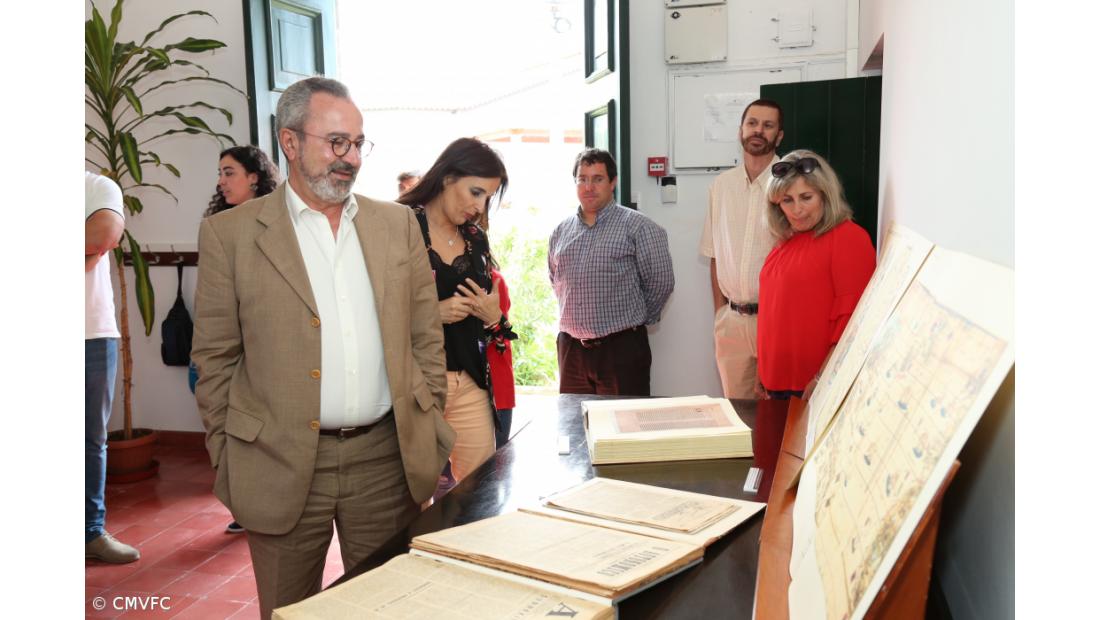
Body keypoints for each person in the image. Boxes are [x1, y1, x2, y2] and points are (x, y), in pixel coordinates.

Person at [192, 77, 454, 619]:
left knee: (391, 609)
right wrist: (227, 455)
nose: (351, 158)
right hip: (277, 461)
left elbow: (424, 334)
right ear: (290, 142)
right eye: (336, 142)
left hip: (385, 460)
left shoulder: (397, 224)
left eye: (358, 143)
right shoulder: (231, 235)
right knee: (288, 610)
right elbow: (215, 357)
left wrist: (427, 415)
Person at [397, 137, 515, 483]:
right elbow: (373, 310)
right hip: (416, 384)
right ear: (448, 177)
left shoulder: (475, 238)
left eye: (487, 198)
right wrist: (434, 313)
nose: (479, 206)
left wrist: (493, 316)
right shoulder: (400, 226)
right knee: (414, 492)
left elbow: (493, 320)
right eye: (476, 192)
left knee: (479, 489)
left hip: (471, 381)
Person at [190, 145, 281, 534]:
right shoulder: (218, 225)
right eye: (220, 173)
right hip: (222, 340)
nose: (221, 181)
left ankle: (263, 501)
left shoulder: (279, 226)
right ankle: (245, 499)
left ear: (254, 177)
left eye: (229, 173)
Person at [548, 148, 674, 396]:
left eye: (597, 179)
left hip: (621, 350)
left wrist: (634, 322)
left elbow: (661, 282)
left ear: (613, 182)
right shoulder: (560, 232)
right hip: (571, 350)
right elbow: (556, 282)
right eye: (582, 179)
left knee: (624, 418)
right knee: (574, 418)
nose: (589, 187)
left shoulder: (639, 227)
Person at [757, 150, 876, 400]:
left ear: (825, 194)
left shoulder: (848, 238)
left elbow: (854, 323)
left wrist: (823, 379)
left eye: (806, 197)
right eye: (787, 200)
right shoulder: (787, 241)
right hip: (776, 383)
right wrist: (764, 373)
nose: (797, 209)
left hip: (812, 387)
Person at [699, 99, 785, 399]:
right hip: (732, 323)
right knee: (737, 412)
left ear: (779, 136)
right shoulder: (721, 186)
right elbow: (715, 256)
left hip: (777, 323)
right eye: (752, 123)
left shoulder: (790, 186)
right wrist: (720, 313)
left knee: (777, 412)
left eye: (767, 125)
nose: (758, 131)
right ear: (740, 131)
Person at [85, 171, 141, 564]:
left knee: (90, 439)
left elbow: (103, 234)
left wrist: (94, 246)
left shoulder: (97, 187)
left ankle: (90, 532)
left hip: (92, 333)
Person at [476, 207, 516, 449]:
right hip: (488, 382)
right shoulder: (495, 278)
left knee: (497, 457)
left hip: (494, 380)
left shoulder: (495, 280)